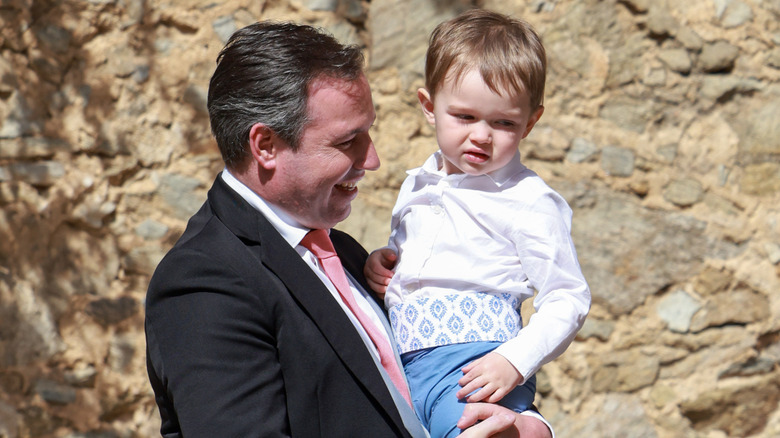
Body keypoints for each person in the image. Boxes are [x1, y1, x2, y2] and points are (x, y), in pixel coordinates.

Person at [144, 19, 548, 438]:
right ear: (266, 145)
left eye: (368, 133)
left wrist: (530, 427)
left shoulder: (347, 253)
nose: (371, 159)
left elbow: (426, 386)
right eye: (346, 141)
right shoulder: (204, 281)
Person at [364, 9, 592, 438]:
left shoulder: (527, 200)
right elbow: (414, 267)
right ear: (430, 107)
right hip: (404, 362)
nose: (481, 136)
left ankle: (517, 426)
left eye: (504, 123)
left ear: (530, 122)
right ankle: (525, 427)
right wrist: (383, 265)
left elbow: (568, 297)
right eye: (465, 117)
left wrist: (515, 360)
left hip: (475, 361)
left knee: (469, 428)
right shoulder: (417, 184)